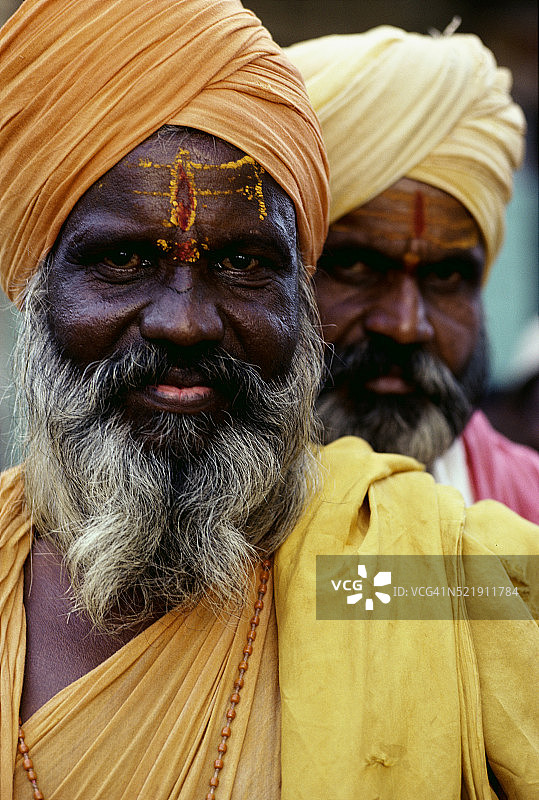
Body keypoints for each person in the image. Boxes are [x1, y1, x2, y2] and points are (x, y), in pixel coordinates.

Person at [0, 4, 537, 798]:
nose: (184, 322)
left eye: (246, 262)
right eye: (122, 258)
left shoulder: (387, 571)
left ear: (299, 308)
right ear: (35, 291)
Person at [286, 28, 539, 524]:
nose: (405, 325)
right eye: (356, 267)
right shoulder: (177, 540)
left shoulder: (529, 512)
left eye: (446, 276)